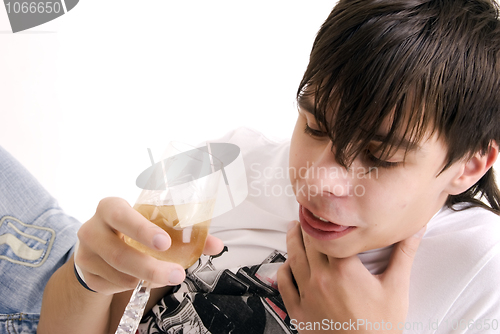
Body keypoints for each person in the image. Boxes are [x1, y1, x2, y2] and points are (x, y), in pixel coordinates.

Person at [32, 0, 500, 332]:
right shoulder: (230, 166)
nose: (319, 179)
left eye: (379, 158)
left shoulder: (482, 276)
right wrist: (87, 278)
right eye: (315, 127)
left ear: (470, 165)